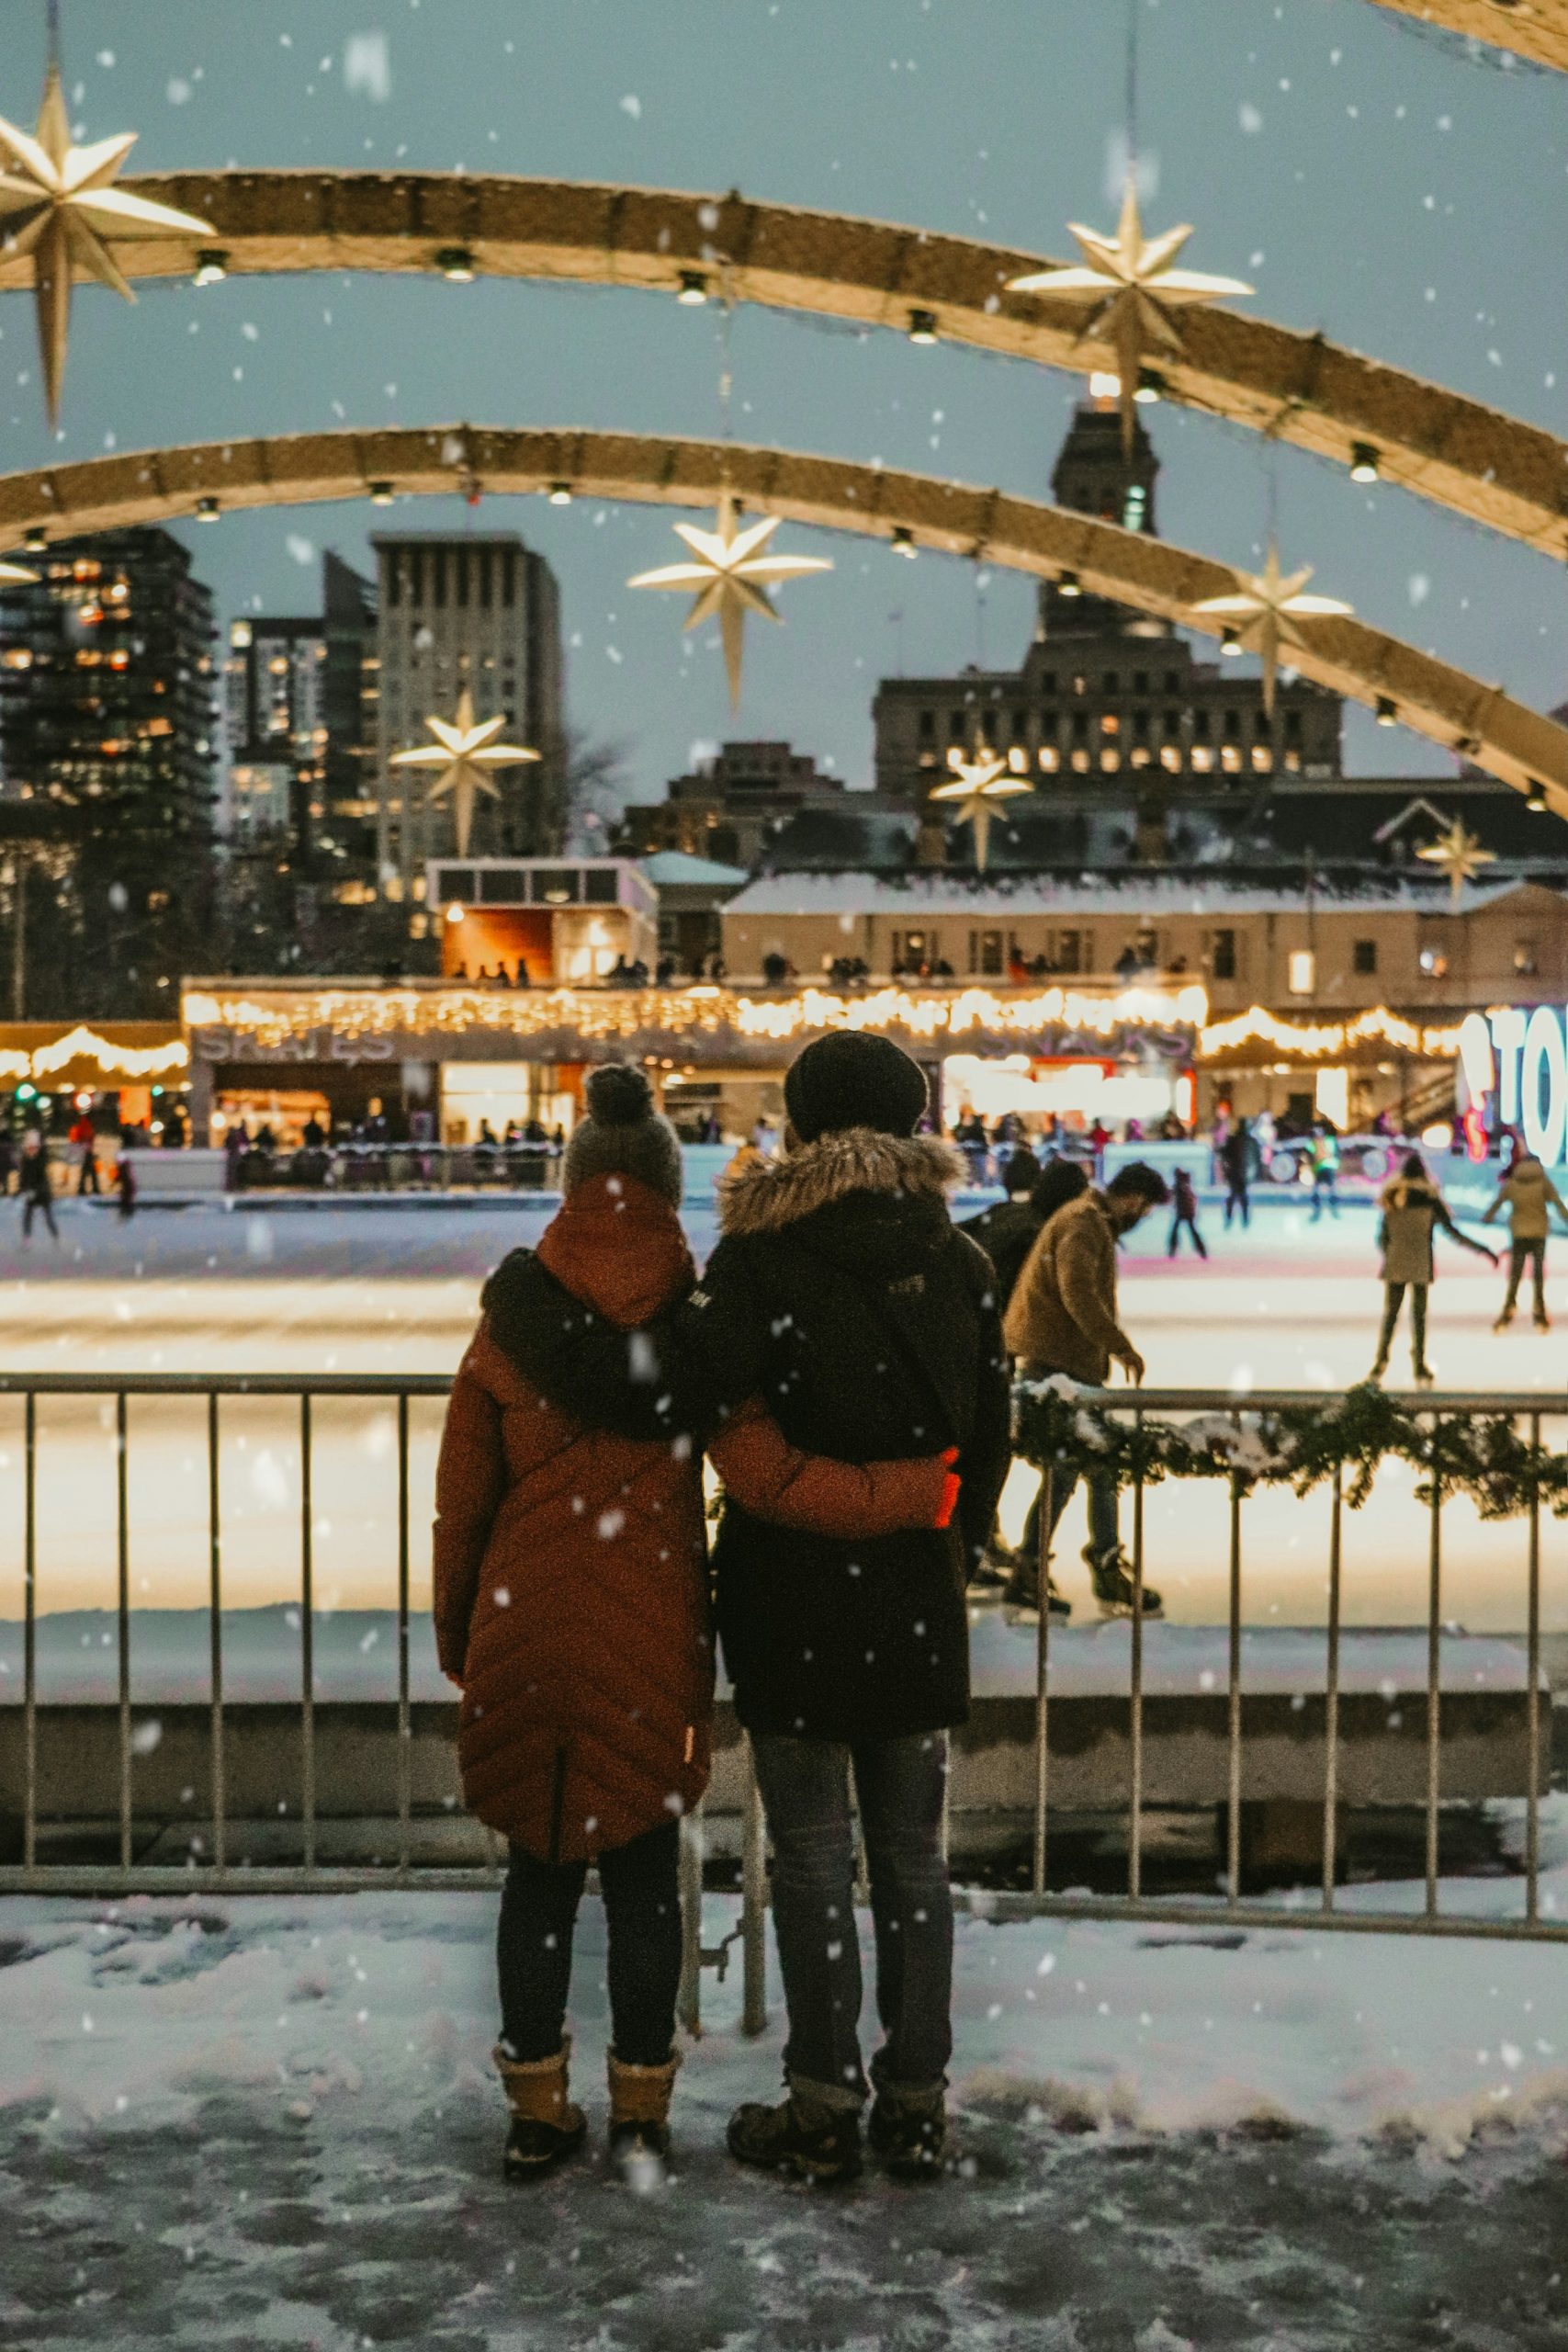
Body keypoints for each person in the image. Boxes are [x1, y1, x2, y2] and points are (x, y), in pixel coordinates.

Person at [491, 1034, 1012, 2185]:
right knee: (914, 1864)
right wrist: (937, 1541)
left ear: (805, 1123)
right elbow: (988, 1443)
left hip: (793, 1598)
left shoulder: (765, 1260)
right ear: (914, 1120)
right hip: (917, 1593)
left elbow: (660, 1390)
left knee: (818, 1860)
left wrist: (529, 1308)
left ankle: (823, 2103)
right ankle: (917, 2100)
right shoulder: (964, 1261)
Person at [1002, 1162, 1172, 1617]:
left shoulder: (1086, 1218)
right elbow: (1076, 1291)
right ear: (1134, 1198)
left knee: (1098, 1467)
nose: (1143, 1216)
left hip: (1067, 1364)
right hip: (1058, 1368)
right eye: (1147, 1208)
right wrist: (1120, 1347)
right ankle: (1036, 1568)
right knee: (1068, 1469)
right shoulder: (1083, 1222)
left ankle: (1100, 1562)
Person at [960, 1153, 1090, 1607]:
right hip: (983, 1349)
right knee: (986, 1449)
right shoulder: (1038, 1230)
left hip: (968, 1343)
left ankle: (982, 1543)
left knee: (978, 1449)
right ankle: (974, 1547)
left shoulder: (1004, 1215)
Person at [1370, 1151, 1497, 1385]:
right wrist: (1484, 1250)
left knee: (1390, 1315)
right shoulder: (1430, 1199)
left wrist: (1391, 1254)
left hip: (1396, 1264)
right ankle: (1419, 1365)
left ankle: (1381, 1361)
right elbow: (1454, 1234)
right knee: (1419, 1317)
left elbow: (1382, 1237)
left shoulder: (1391, 1197)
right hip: (1420, 1263)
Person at [1483, 1143, 1568, 1332]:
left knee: (1516, 1273)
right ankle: (1539, 1312)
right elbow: (1557, 1203)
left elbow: (1498, 1202)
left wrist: (1488, 1217)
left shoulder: (1513, 1182)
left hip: (1519, 1233)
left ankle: (1509, 1306)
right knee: (1538, 1273)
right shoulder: (1543, 1181)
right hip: (1538, 1233)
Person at [17, 1129, 58, 1241]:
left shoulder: (40, 1160)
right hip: (31, 1193)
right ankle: (27, 1237)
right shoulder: (25, 1161)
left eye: (34, 1148)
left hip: (42, 1194)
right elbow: (23, 1177)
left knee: (48, 1216)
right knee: (27, 1215)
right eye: (29, 1148)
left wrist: (35, 1191)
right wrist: (21, 1188)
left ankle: (55, 1236)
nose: (31, 1151)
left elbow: (42, 1180)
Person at [1167, 1166, 1207, 1259]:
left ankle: (1173, 1249)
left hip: (1183, 1212)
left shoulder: (1179, 1185)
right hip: (1188, 1212)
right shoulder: (1186, 1184)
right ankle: (1202, 1250)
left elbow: (1171, 1194)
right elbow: (1193, 1198)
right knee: (1191, 1231)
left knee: (1176, 1231)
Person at [1220, 1119, 1252, 1229]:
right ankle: (1243, 1220)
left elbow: (1224, 1153)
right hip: (1239, 1173)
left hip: (1236, 1173)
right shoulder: (1246, 1140)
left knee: (1236, 1197)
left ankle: (1236, 1220)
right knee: (1240, 1197)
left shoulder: (1236, 1140)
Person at [1310, 1122, 1340, 1222]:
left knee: (1326, 1188)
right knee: (1327, 1188)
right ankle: (1329, 1208)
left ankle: (1326, 1208)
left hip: (1325, 1167)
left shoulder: (1319, 1142)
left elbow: (1311, 1156)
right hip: (1325, 1168)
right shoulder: (1329, 1141)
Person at [68, 1110, 100, 1196]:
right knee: (90, 1172)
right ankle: (94, 1189)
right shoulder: (86, 1125)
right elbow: (87, 1138)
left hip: (85, 1151)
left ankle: (83, 1188)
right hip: (86, 1151)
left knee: (86, 1171)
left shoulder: (83, 1124)